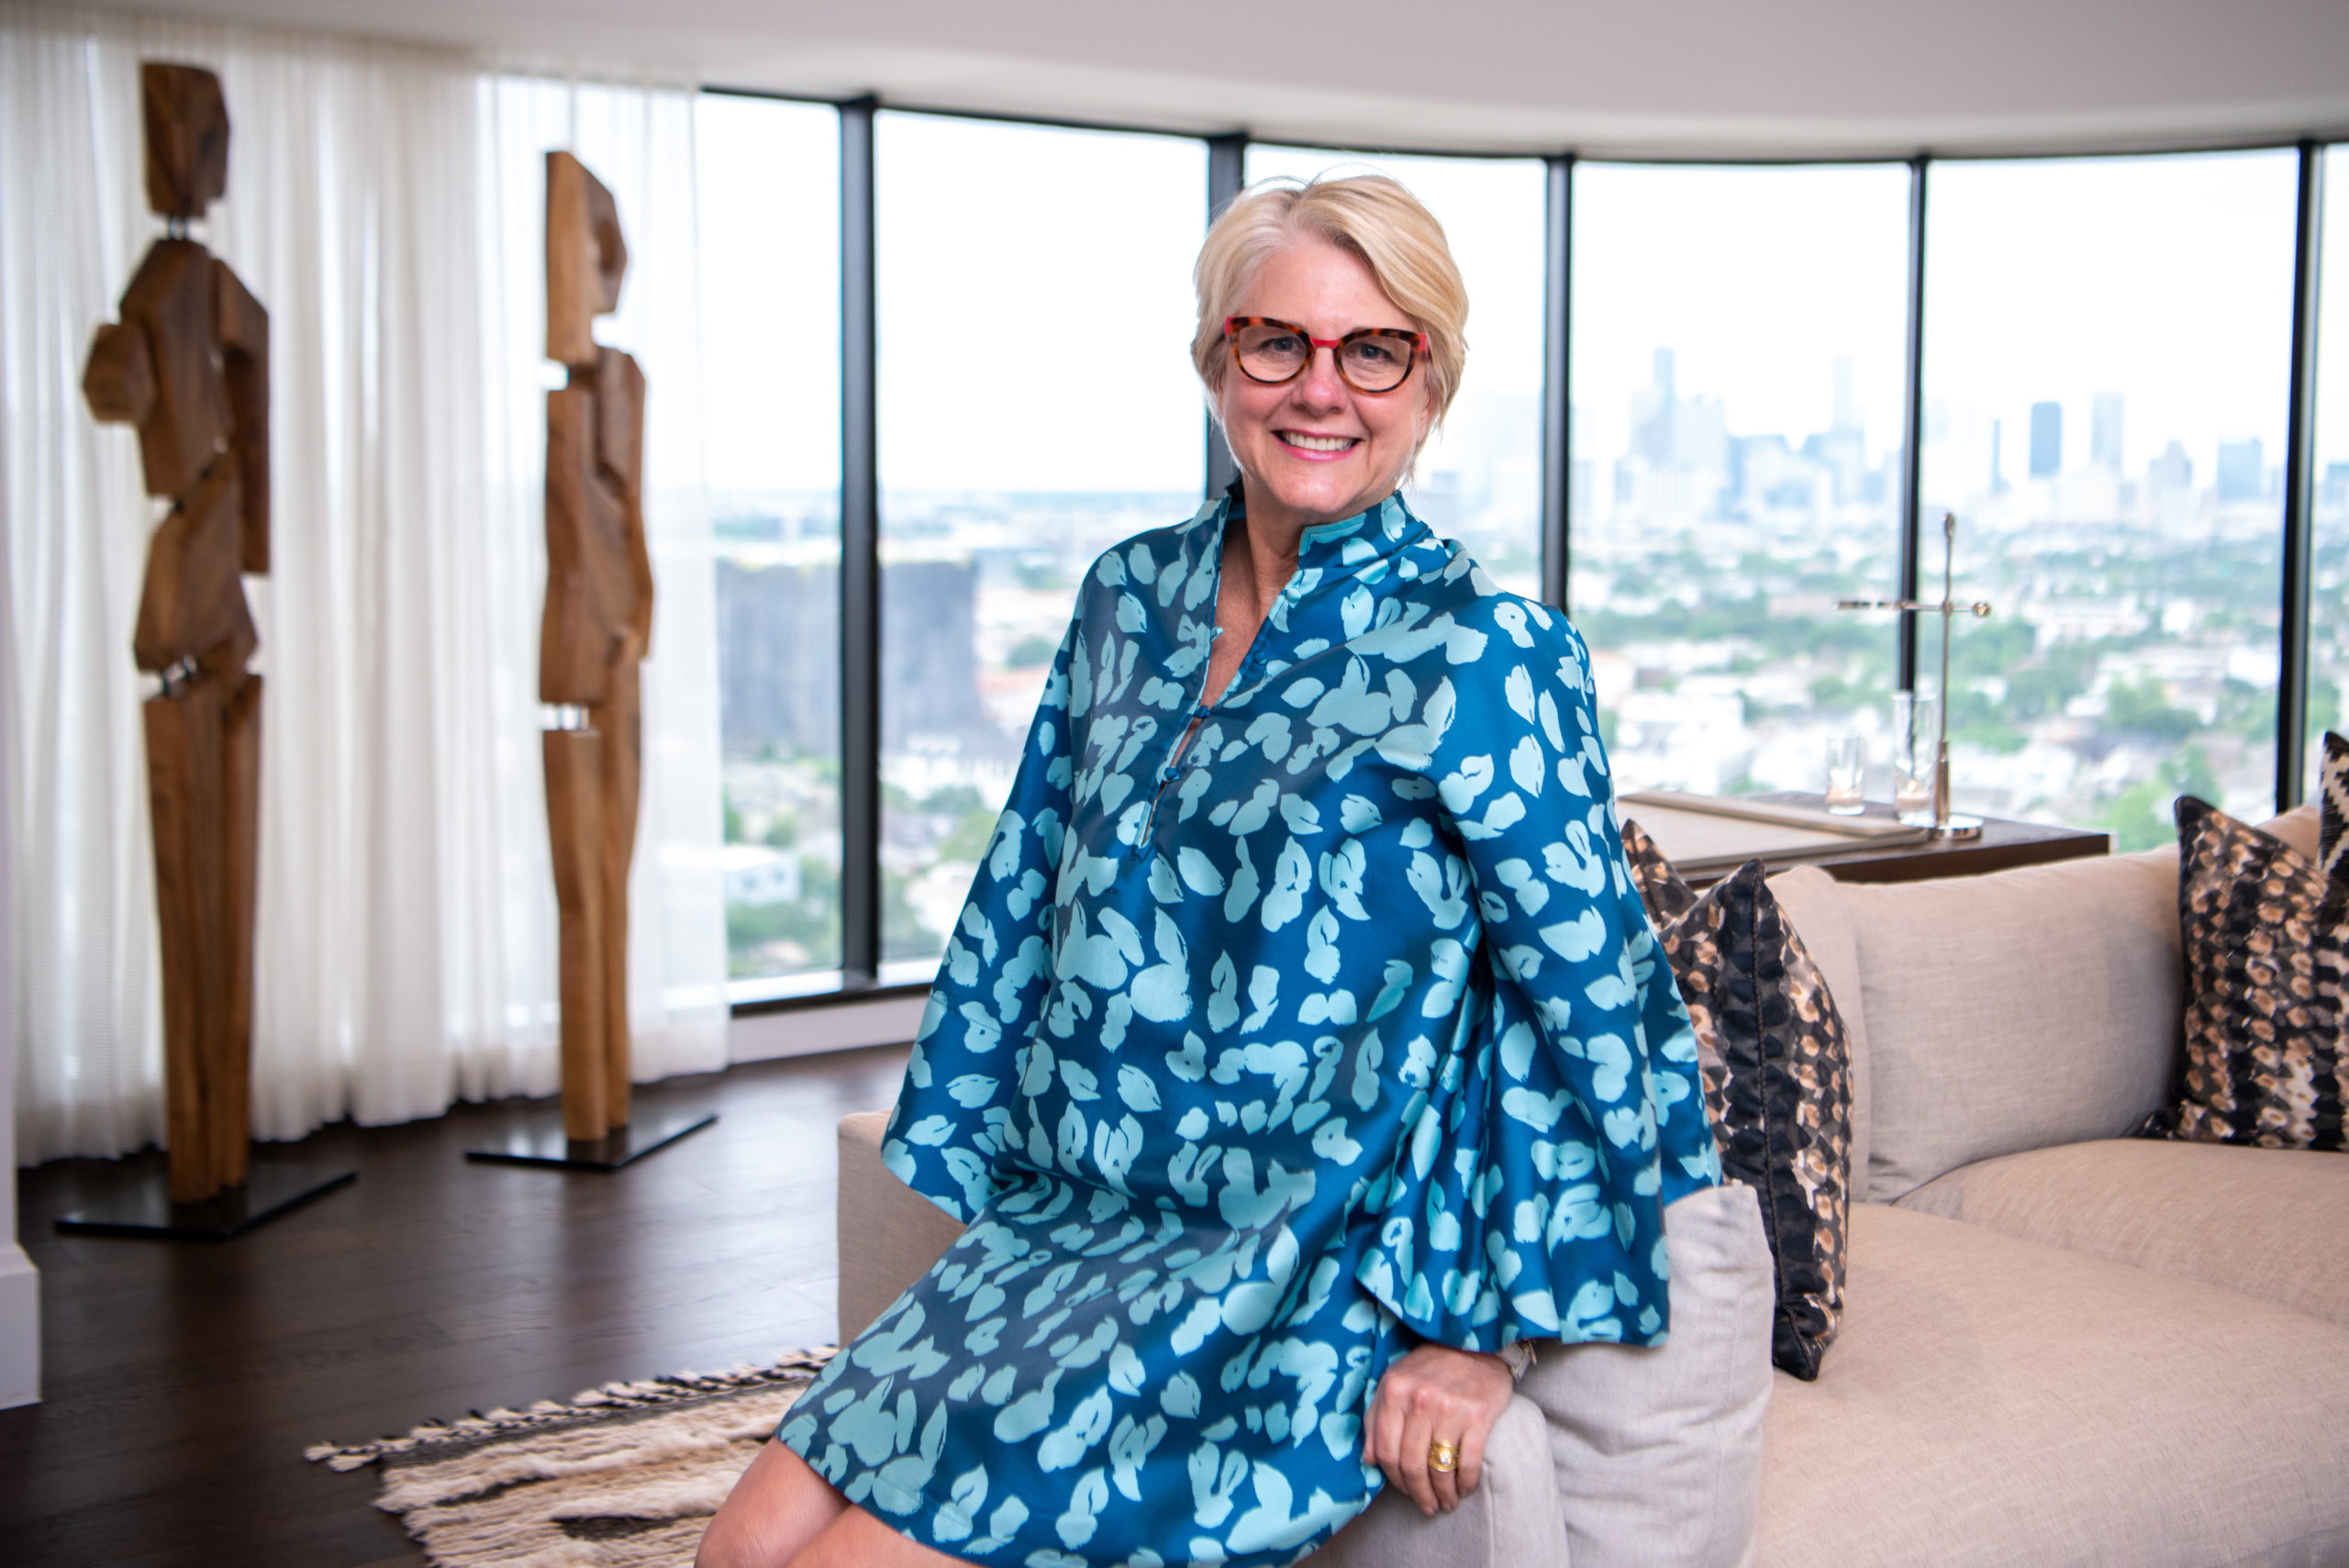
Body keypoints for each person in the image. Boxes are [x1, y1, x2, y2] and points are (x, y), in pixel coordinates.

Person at [698, 173, 1720, 1568]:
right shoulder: (1126, 597)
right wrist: (994, 1159)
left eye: (1375, 349)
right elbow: (1027, 888)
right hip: (1077, 1222)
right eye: (1276, 340)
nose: (1321, 388)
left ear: (1432, 385)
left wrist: (1482, 1332)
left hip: (1285, 1269)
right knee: (737, 1548)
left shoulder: (1491, 652)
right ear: (1217, 361)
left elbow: (1587, 1007)